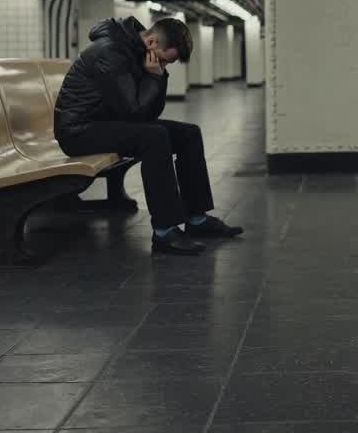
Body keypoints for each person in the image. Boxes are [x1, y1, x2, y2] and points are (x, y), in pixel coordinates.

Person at [53, 16, 243, 255]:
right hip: (78, 131)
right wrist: (153, 76)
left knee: (189, 134)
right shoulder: (110, 53)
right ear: (152, 42)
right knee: (153, 138)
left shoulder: (136, 51)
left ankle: (197, 219)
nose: (164, 65)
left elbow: (148, 112)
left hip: (107, 122)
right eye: (165, 60)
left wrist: (158, 75)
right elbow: (134, 113)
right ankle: (164, 231)